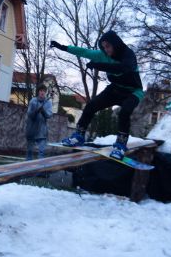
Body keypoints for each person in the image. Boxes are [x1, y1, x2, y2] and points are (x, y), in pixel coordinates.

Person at [50, 30, 144, 160]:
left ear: (115, 44)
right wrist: (62, 47)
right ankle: (79, 135)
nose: (106, 50)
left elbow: (123, 68)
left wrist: (97, 65)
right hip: (115, 89)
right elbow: (83, 51)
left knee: (125, 112)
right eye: (104, 47)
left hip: (133, 91)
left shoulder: (128, 54)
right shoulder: (102, 55)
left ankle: (120, 144)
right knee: (91, 106)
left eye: (108, 46)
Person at [26, 84, 53, 160]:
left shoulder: (48, 102)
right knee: (29, 152)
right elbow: (29, 114)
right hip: (31, 130)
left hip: (42, 131)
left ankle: (39, 171)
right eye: (41, 91)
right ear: (38, 92)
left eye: (44, 91)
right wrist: (36, 111)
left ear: (45, 92)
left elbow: (49, 115)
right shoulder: (33, 101)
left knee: (41, 152)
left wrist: (43, 111)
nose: (42, 92)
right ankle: (27, 170)